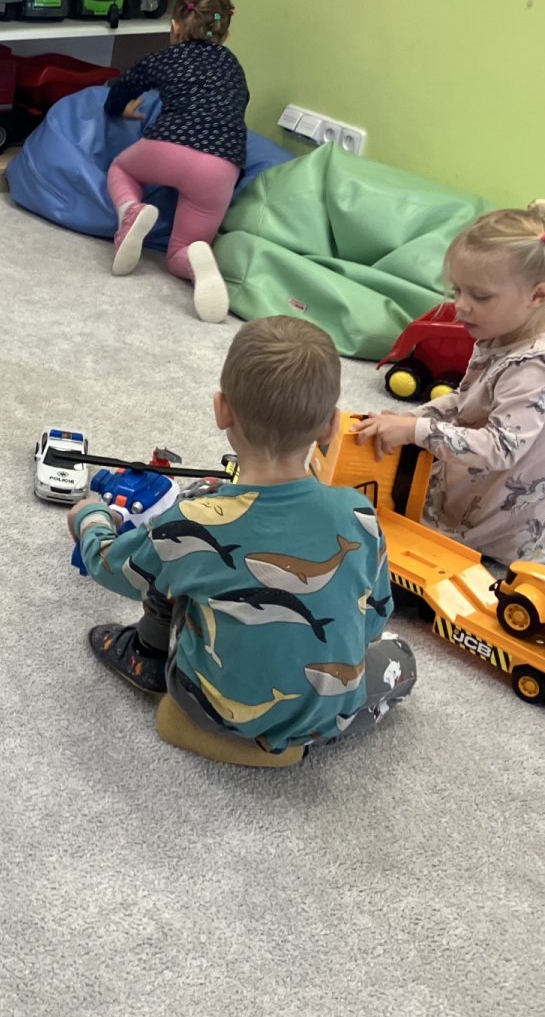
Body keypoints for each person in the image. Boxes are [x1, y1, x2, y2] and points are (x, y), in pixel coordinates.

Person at [68, 316, 415, 765]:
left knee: (172, 559)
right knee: (402, 660)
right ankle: (297, 740)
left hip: (208, 707)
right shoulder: (359, 513)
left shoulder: (192, 519)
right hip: (326, 713)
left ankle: (149, 659)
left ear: (222, 410)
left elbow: (109, 564)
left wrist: (90, 517)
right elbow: (373, 621)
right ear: (331, 426)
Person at [353, 202, 545, 566]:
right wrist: (417, 418)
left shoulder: (535, 365)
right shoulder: (506, 332)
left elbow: (501, 448)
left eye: (480, 296)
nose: (460, 306)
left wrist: (416, 431)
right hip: (505, 479)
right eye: (457, 290)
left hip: (514, 529)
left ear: (538, 295)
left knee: (383, 523)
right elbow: (471, 400)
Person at [102, 0, 248, 325]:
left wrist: (119, 109)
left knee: (121, 170)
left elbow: (122, 87)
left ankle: (131, 211)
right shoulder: (233, 65)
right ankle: (197, 258)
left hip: (168, 146)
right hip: (221, 164)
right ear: (225, 33)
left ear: (175, 25)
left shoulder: (166, 58)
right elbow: (241, 104)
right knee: (179, 250)